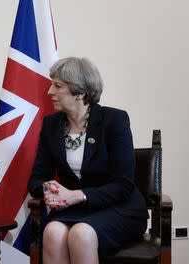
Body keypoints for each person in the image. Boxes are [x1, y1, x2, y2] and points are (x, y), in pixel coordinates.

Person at [27, 57, 148, 263]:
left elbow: (123, 185)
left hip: (119, 208)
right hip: (77, 211)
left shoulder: (115, 121)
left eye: (58, 86)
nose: (49, 92)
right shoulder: (51, 125)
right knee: (53, 232)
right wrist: (50, 188)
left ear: (80, 92)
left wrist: (77, 195)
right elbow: (37, 180)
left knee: (81, 234)